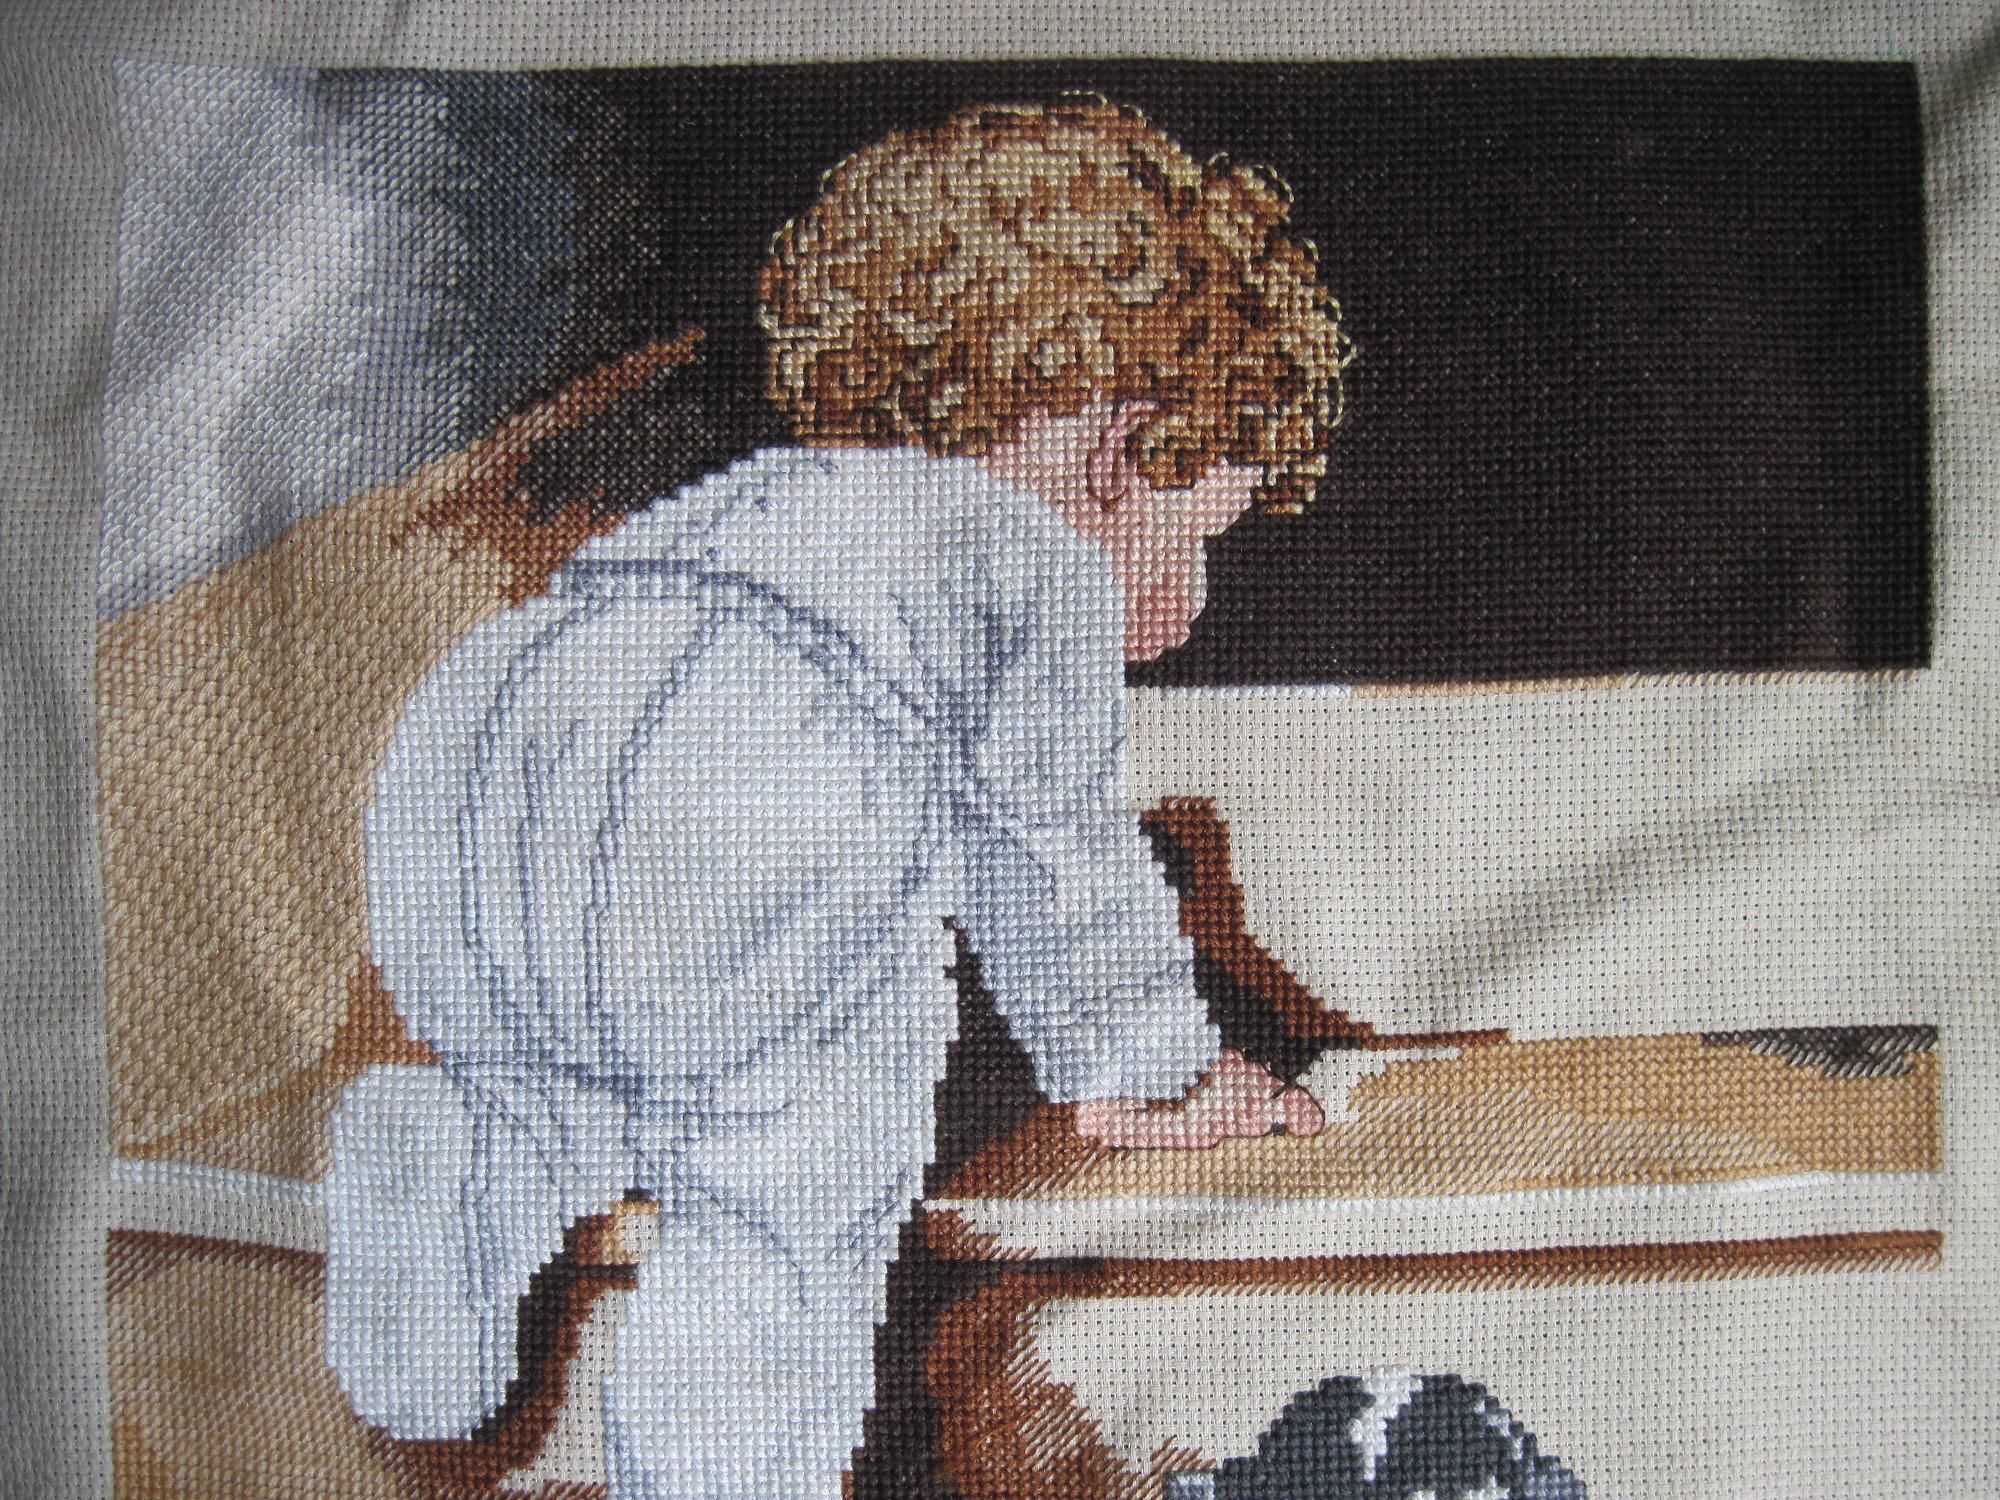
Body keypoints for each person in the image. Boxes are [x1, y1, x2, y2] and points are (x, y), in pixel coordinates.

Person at [325, 98, 1352, 1498]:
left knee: (569, 1081)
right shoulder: (1022, 557)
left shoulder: (761, 496)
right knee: (792, 1176)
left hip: (482, 761)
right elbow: (1054, 858)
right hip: (746, 804)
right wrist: (1151, 1070)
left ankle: (452, 1156)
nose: (1181, 614)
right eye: (1195, 539)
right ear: (1127, 445)